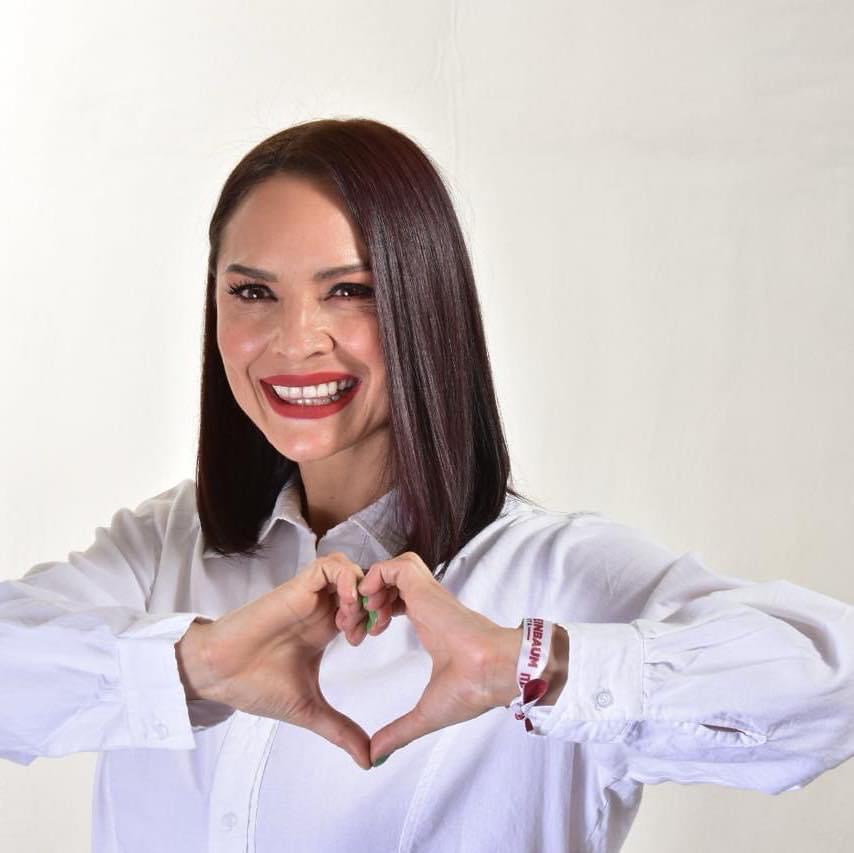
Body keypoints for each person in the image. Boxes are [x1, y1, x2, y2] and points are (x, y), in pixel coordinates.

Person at [1, 117, 852, 853]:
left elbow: (830, 682)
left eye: (350, 291)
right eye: (253, 291)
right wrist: (193, 664)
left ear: (424, 304)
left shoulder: (557, 573)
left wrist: (528, 666)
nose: (294, 341)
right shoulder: (167, 545)